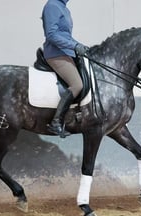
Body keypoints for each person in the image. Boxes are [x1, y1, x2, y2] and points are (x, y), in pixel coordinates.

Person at [41, 0, 89, 138]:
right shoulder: (52, 6)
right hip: (56, 53)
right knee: (77, 84)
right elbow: (51, 34)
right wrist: (73, 46)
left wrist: (79, 45)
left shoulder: (64, 8)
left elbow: (65, 35)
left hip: (66, 52)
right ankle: (56, 122)